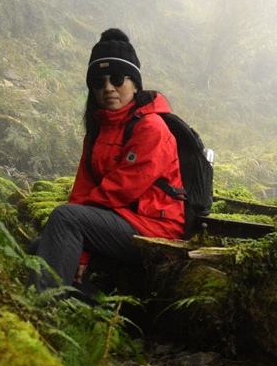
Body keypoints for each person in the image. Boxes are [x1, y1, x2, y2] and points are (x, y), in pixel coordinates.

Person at [30, 28, 185, 297]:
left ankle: (41, 309)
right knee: (42, 246)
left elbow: (120, 189)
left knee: (64, 221)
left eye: (117, 79)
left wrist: (83, 249)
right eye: (99, 82)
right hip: (120, 221)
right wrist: (81, 251)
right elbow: (83, 188)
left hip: (155, 230)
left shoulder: (152, 128)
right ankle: (87, 313)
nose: (108, 88)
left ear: (135, 84)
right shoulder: (100, 129)